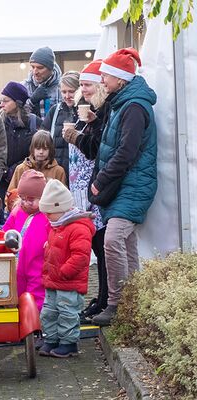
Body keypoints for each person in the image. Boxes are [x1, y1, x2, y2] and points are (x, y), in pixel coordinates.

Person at [89, 48, 158, 326]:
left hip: (133, 185)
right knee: (127, 244)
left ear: (120, 78)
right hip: (126, 185)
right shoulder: (123, 103)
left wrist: (101, 180)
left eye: (106, 75)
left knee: (112, 240)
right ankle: (134, 303)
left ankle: (117, 304)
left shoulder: (134, 108)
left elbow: (126, 152)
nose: (102, 80)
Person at [63, 60, 109, 320]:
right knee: (95, 246)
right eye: (82, 84)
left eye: (88, 84)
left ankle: (104, 300)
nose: (84, 89)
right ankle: (101, 299)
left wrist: (78, 136)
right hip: (80, 192)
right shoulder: (86, 111)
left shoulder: (102, 112)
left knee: (101, 248)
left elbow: (94, 149)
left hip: (94, 190)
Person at [38, 179, 95, 358]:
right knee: (49, 312)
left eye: (50, 213)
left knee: (68, 313)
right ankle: (52, 339)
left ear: (62, 208)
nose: (47, 216)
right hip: (53, 281)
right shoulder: (57, 226)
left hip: (68, 282)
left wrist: (64, 272)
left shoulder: (78, 229)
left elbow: (80, 256)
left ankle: (69, 343)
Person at [3, 170, 50, 311]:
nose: (26, 203)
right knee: (16, 292)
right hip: (17, 264)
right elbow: (6, 231)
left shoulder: (47, 216)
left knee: (36, 294)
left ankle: (36, 318)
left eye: (31, 199)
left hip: (38, 264)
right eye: (22, 198)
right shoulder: (17, 212)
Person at [0, 81, 41, 203]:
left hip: (26, 179)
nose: (1, 104)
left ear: (17, 102)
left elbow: (39, 152)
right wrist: (3, 171)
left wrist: (17, 168)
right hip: (0, 180)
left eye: (6, 101)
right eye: (1, 100)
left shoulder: (34, 122)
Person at [41, 71, 80, 180]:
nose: (67, 96)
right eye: (64, 92)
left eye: (71, 91)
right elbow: (43, 139)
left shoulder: (86, 112)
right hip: (56, 173)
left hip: (78, 174)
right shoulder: (55, 111)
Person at [22, 46, 62, 119]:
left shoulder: (62, 87)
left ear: (51, 68)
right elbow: (17, 116)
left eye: (40, 68)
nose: (35, 72)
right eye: (33, 67)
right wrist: (31, 101)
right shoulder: (24, 86)